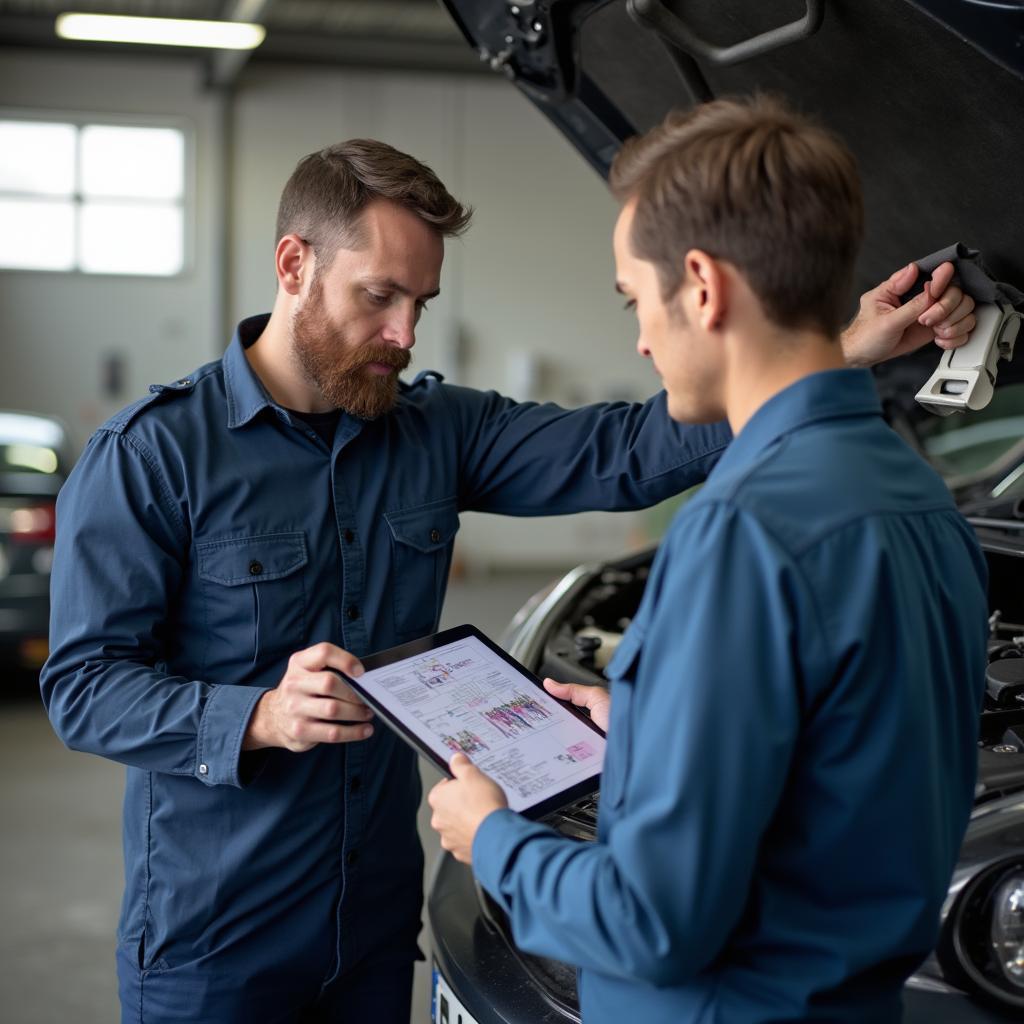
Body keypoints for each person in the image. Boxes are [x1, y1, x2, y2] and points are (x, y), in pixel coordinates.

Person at [41, 135, 975, 1024]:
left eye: (422, 303)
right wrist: (259, 716)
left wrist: (836, 349)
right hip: (215, 937)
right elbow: (84, 688)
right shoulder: (151, 457)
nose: (403, 333)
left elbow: (626, 449)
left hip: (371, 923)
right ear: (294, 266)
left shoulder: (434, 429)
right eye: (379, 296)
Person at [428, 97, 990, 1024]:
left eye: (635, 301)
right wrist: (650, 730)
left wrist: (490, 839)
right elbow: (852, 768)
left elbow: (653, 924)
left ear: (701, 284)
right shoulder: (919, 497)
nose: (642, 339)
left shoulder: (745, 536)